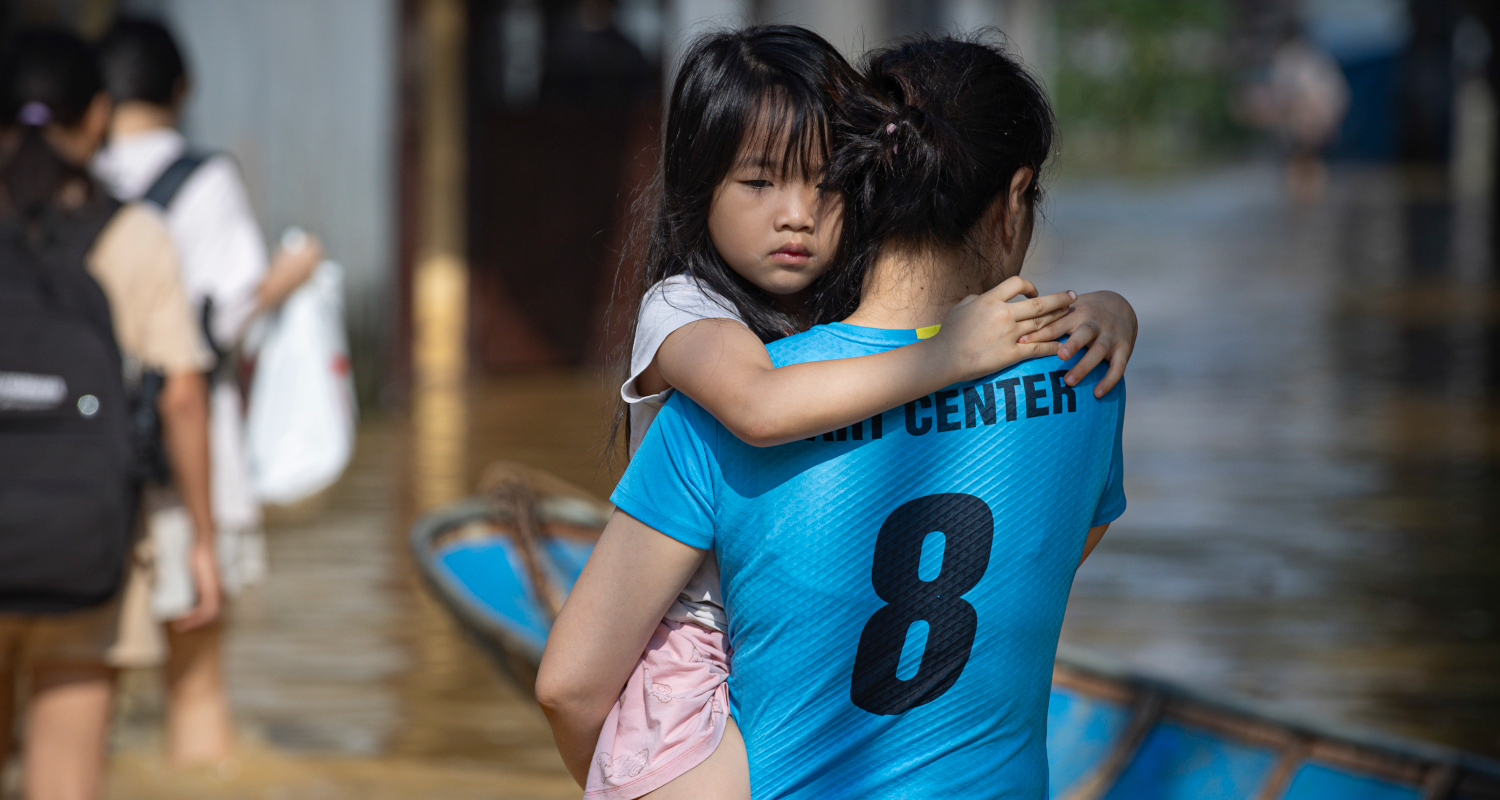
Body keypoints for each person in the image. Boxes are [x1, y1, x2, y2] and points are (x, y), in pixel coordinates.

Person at [538, 27, 1134, 799]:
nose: (795, 216)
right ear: (1014, 199)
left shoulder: (731, 407)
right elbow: (759, 405)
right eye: (758, 183)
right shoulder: (1087, 380)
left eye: (819, 184)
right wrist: (991, 344)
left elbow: (569, 687)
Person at [89, 17, 321, 766]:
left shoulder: (70, 181)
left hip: (82, 464)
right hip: (186, 459)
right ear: (181, 90)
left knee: (80, 685)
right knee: (193, 689)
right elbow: (217, 327)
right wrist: (283, 282)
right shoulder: (206, 180)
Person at [0, 28, 218, 800]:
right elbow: (184, 395)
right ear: (97, 116)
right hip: (83, 548)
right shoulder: (134, 234)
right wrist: (201, 541)